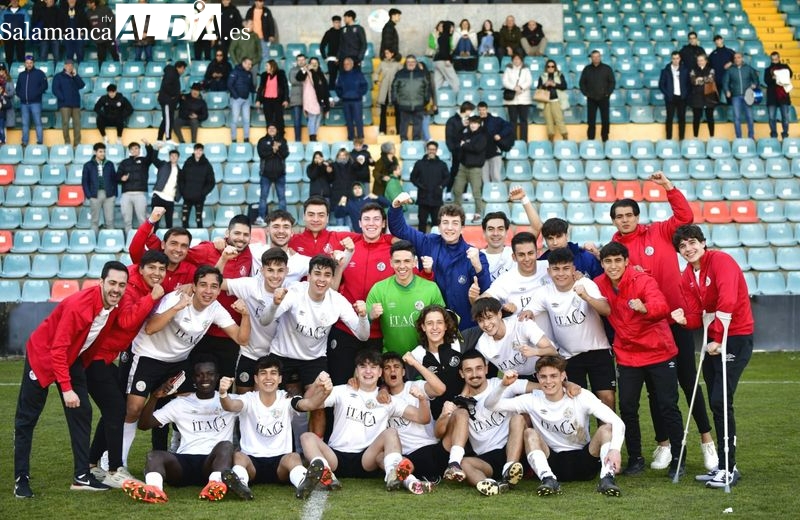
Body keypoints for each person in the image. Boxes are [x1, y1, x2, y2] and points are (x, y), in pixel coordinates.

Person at [606, 171, 716, 473]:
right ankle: (665, 444)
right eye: (619, 216)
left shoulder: (658, 232)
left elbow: (685, 215)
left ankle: (707, 441)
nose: (625, 220)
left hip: (676, 319)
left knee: (687, 381)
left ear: (637, 217)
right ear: (614, 221)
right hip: (645, 328)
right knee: (658, 392)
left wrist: (668, 187)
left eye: (629, 215)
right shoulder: (616, 251)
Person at [14, 261, 129, 498]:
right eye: (112, 283)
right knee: (27, 420)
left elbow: (88, 342)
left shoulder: (114, 306)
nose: (116, 289)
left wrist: (78, 371)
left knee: (83, 412)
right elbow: (57, 348)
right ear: (101, 282)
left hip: (71, 358)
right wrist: (66, 388)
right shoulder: (79, 306)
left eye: (122, 285)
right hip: (43, 357)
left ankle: (81, 476)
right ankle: (21, 478)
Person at [120, 266, 251, 467]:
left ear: (219, 291)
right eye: (203, 285)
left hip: (178, 361)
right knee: (133, 409)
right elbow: (150, 328)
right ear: (195, 286)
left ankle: (180, 446)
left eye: (214, 287)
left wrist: (246, 315)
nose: (208, 291)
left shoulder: (215, 308)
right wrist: (177, 307)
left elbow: (241, 339)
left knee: (190, 400)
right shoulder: (177, 298)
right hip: (149, 355)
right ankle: (118, 462)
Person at [671, 225, 754, 489]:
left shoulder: (721, 261)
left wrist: (718, 337)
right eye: (683, 246)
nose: (688, 249)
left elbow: (727, 300)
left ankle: (729, 468)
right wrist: (684, 320)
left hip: (735, 336)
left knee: (720, 400)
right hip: (713, 341)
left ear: (703, 242)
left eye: (692, 242)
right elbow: (697, 314)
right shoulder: (687, 275)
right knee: (715, 400)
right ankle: (725, 464)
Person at [594, 242, 686, 478]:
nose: (613, 266)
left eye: (617, 260)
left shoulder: (642, 279)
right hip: (627, 354)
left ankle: (678, 457)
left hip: (658, 351)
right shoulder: (599, 284)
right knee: (627, 407)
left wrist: (646, 307)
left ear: (626, 261)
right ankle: (635, 458)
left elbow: (661, 305)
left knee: (668, 405)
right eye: (608, 261)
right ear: (602, 264)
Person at [258, 254, 370, 435]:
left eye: (327, 275)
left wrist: (363, 316)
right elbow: (265, 320)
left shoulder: (337, 300)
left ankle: (315, 456)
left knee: (318, 404)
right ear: (309, 276)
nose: (321, 279)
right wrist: (274, 304)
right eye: (317, 274)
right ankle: (277, 450)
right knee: (273, 402)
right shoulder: (294, 292)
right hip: (281, 354)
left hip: (314, 358)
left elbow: (363, 335)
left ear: (332, 278)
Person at [83, 250, 168, 489]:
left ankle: (92, 464)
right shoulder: (131, 290)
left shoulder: (145, 288)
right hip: (95, 356)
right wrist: (151, 298)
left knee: (114, 409)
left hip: (107, 357)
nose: (157, 273)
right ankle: (113, 468)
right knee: (117, 409)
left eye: (162, 269)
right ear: (140, 270)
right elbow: (127, 321)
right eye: (152, 268)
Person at [485, 356, 624, 497]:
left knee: (606, 429)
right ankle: (548, 479)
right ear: (538, 378)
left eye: (553, 376)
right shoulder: (532, 399)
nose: (548, 381)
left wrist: (615, 450)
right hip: (552, 461)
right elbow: (490, 405)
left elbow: (617, 422)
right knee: (529, 433)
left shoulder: (581, 396)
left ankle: (607, 479)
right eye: (543, 377)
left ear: (563, 376)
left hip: (584, 461)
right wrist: (503, 385)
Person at [299, 350, 432, 494]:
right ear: (356, 371)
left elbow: (423, 418)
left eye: (373, 367)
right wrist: (316, 383)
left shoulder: (387, 399)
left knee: (391, 433)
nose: (368, 371)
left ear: (380, 372)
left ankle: (394, 475)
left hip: (367, 458)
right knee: (306, 437)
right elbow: (309, 402)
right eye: (363, 366)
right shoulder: (342, 391)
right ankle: (326, 474)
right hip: (335, 457)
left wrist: (422, 399)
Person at [122, 357, 251, 503]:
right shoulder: (180, 403)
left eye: (210, 374)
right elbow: (144, 425)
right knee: (154, 455)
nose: (205, 378)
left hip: (213, 462)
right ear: (193, 379)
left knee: (226, 446)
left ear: (217, 377)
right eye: (199, 375)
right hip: (185, 462)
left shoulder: (230, 401)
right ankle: (154, 490)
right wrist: (154, 397)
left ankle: (215, 484)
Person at [218, 358, 333, 498]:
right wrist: (223, 393)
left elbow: (309, 404)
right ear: (256, 378)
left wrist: (325, 392)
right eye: (263, 373)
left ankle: (304, 482)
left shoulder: (286, 399)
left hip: (281, 464)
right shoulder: (248, 399)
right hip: (252, 462)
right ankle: (241, 484)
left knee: (293, 457)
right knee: (238, 456)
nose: (268, 377)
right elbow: (230, 405)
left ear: (280, 379)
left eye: (273, 373)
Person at [389, 194, 491, 330]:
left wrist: (478, 266)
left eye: (455, 223)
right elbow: (400, 229)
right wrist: (396, 206)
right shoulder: (427, 243)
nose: (450, 228)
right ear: (439, 226)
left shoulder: (474, 255)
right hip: (434, 327)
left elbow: (486, 292)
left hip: (465, 326)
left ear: (462, 228)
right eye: (445, 222)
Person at [529, 248, 614, 409]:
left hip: (598, 350)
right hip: (569, 356)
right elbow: (529, 312)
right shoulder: (545, 292)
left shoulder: (585, 284)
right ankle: (583, 435)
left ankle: (610, 434)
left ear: (573, 269)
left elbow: (606, 309)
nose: (561, 273)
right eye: (556, 269)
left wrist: (586, 297)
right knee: (575, 402)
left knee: (607, 398)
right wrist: (527, 312)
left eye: (566, 268)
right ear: (549, 271)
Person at [435, 350, 526, 496]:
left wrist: (566, 384)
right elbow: (438, 433)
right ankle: (491, 485)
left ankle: (510, 470)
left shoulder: (503, 384)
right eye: (468, 370)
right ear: (461, 374)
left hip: (511, 448)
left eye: (479, 368)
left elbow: (539, 387)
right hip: (486, 459)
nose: (475, 374)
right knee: (464, 463)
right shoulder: (459, 401)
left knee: (519, 417)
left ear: (486, 369)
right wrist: (445, 415)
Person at [218, 247, 288, 392]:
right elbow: (216, 282)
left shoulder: (293, 292)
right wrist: (224, 259)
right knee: (244, 404)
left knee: (269, 405)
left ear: (287, 271)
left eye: (280, 270)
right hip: (249, 354)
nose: (275, 275)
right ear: (262, 270)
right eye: (270, 270)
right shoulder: (249, 286)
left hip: (276, 356)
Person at [367, 240, 445, 355]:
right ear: (391, 263)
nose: (402, 266)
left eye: (407, 261)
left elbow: (443, 322)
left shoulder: (431, 288)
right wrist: (370, 315)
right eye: (397, 261)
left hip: (424, 358)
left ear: (414, 262)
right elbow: (362, 326)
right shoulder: (379, 289)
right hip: (392, 359)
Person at [382, 351, 447, 483]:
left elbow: (440, 389)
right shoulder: (381, 397)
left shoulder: (414, 386)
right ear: (382, 375)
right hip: (402, 454)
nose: (392, 370)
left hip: (427, 448)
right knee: (384, 458)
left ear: (404, 372)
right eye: (387, 368)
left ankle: (409, 476)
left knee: (420, 458)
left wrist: (415, 363)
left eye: (397, 366)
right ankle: (410, 479)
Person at [472, 297, 557, 378]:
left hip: (544, 371)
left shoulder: (521, 323)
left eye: (489, 317)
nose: (486, 324)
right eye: (480, 320)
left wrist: (535, 351)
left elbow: (553, 351)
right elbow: (479, 373)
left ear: (499, 314)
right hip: (516, 379)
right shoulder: (482, 345)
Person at [480, 231, 551, 317]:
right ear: (514, 257)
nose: (527, 259)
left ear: (537, 253)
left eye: (530, 253)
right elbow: (482, 301)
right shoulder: (506, 279)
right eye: (521, 255)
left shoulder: (550, 268)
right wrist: (503, 309)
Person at [128, 208, 196, 292]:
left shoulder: (191, 271)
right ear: (163, 245)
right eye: (173, 243)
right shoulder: (150, 262)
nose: (178, 249)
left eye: (184, 246)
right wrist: (151, 221)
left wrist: (193, 286)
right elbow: (134, 250)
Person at [538, 218, 603, 279]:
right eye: (550, 238)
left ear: (566, 236)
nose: (555, 243)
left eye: (558, 237)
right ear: (545, 240)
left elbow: (600, 283)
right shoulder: (541, 263)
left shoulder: (587, 258)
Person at [117, 140, 157, 235]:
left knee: (142, 219)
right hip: (126, 194)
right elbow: (117, 176)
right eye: (132, 149)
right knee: (127, 220)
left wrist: (148, 145)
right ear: (129, 151)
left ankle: (144, 241)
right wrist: (121, 178)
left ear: (139, 150)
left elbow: (151, 156)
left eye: (136, 148)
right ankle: (129, 241)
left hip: (140, 193)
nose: (134, 150)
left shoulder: (144, 161)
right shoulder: (124, 162)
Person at [453, 115, 488, 223]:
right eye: (471, 123)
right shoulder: (465, 134)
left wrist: (465, 145)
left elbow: (477, 149)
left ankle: (478, 213)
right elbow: (457, 140)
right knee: (457, 190)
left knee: (476, 192)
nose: (473, 125)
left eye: (475, 123)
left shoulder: (482, 136)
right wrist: (466, 145)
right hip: (463, 167)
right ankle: (457, 213)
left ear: (479, 124)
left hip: (475, 169)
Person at [410, 141, 450, 232]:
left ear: (436, 150)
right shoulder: (419, 163)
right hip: (423, 198)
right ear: (426, 150)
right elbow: (413, 177)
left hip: (436, 198)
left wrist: (441, 187)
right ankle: (420, 243)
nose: (432, 151)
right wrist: (420, 185)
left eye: (434, 149)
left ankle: (434, 243)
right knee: (422, 222)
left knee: (436, 223)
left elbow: (447, 178)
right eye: (430, 149)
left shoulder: (442, 164)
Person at [392, 54, 431, 141]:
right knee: (403, 124)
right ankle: (403, 141)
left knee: (418, 124)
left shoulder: (422, 74)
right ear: (406, 63)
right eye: (408, 62)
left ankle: (416, 141)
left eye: (413, 62)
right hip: (403, 104)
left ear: (416, 63)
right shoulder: (399, 74)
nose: (411, 63)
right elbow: (394, 87)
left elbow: (428, 87)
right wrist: (395, 100)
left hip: (419, 104)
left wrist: (426, 99)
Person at [579, 50, 615, 142]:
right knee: (591, 121)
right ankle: (591, 139)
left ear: (600, 57)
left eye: (597, 56)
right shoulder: (587, 69)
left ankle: (605, 138)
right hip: (591, 99)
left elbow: (612, 82)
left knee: (605, 120)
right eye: (594, 56)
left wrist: (608, 93)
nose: (596, 58)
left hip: (604, 98)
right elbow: (582, 83)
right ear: (591, 58)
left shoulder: (607, 69)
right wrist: (586, 93)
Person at [82, 142, 117, 233]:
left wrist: (114, 194)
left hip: (109, 195)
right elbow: (85, 182)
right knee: (94, 221)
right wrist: (89, 195)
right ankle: (94, 241)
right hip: (95, 194)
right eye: (100, 151)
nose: (103, 154)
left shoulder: (109, 164)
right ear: (95, 152)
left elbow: (114, 179)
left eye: (104, 152)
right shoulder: (88, 165)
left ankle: (111, 241)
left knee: (110, 220)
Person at [178, 144, 216, 229]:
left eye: (200, 150)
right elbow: (181, 178)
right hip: (187, 197)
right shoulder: (188, 162)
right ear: (194, 151)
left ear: (202, 152)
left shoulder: (207, 164)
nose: (198, 152)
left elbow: (211, 182)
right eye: (196, 150)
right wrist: (183, 191)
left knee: (199, 220)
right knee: (184, 219)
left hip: (199, 198)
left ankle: (201, 239)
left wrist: (202, 193)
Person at [256, 123, 289, 220]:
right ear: (267, 129)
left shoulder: (282, 140)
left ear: (276, 129)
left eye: (273, 128)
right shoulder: (262, 141)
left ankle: (283, 218)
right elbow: (262, 154)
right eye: (270, 128)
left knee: (282, 198)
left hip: (280, 175)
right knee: (263, 197)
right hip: (265, 174)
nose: (271, 129)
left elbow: (285, 154)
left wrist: (277, 150)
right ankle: (261, 218)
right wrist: (272, 150)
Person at [723, 53, 759, 139]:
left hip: (748, 96)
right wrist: (727, 90)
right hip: (736, 96)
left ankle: (751, 136)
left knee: (750, 117)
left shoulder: (749, 68)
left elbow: (756, 80)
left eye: (738, 57)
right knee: (737, 118)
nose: (736, 59)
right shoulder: (730, 70)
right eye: (735, 58)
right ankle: (739, 137)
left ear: (742, 58)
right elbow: (725, 82)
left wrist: (754, 84)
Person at [477, 102, 513, 183]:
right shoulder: (475, 121)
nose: (482, 111)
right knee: (484, 178)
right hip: (482, 154)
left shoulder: (495, 120)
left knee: (496, 176)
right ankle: (487, 194)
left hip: (494, 152)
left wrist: (500, 135)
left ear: (487, 109)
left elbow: (509, 126)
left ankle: (498, 194)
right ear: (477, 110)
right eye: (480, 110)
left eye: (483, 110)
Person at [16, 54, 48, 146]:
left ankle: (40, 141)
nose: (29, 64)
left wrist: (36, 94)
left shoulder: (39, 73)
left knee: (38, 123)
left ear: (33, 63)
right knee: (25, 124)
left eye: (31, 63)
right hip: (24, 104)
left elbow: (45, 86)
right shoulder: (21, 75)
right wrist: (20, 95)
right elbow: (18, 88)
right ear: (24, 64)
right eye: (27, 63)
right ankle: (24, 142)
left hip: (36, 103)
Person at [296, 57, 330, 142]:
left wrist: (329, 98)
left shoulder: (321, 74)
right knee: (312, 118)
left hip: (320, 99)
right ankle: (312, 138)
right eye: (312, 63)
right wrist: (305, 68)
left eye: (316, 62)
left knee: (318, 118)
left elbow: (325, 88)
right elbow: (298, 77)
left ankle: (314, 136)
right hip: (311, 99)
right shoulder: (307, 72)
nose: (314, 64)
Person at [659, 52, 691, 141]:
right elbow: (661, 85)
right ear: (671, 59)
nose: (675, 60)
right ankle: (668, 138)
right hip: (670, 98)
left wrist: (685, 94)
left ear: (680, 59)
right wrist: (668, 94)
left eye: (677, 58)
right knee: (669, 118)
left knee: (682, 118)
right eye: (674, 58)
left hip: (682, 98)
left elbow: (689, 84)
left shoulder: (685, 70)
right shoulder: (666, 70)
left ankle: (681, 138)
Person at [53, 58, 85, 145]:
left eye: (71, 65)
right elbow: (55, 89)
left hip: (75, 104)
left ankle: (77, 143)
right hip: (64, 104)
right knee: (65, 124)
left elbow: (82, 85)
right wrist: (63, 98)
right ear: (64, 66)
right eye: (68, 65)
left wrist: (76, 76)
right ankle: (67, 142)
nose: (70, 67)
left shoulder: (74, 76)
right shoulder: (58, 76)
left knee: (77, 124)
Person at [335, 57, 368, 141]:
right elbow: (337, 88)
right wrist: (342, 95)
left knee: (358, 121)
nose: (346, 66)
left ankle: (360, 138)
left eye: (348, 64)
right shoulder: (341, 75)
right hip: (346, 101)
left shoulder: (358, 74)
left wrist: (359, 94)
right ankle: (351, 138)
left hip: (357, 101)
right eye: (344, 64)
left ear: (352, 65)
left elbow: (364, 85)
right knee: (349, 121)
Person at [536, 59, 568, 142]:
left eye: (552, 66)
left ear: (555, 67)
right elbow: (538, 88)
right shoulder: (542, 76)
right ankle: (550, 138)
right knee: (548, 120)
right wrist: (545, 85)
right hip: (546, 101)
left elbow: (564, 86)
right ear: (546, 67)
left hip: (556, 100)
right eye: (549, 66)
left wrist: (554, 84)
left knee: (559, 119)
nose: (550, 68)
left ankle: (565, 136)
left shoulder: (560, 75)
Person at [150, 148, 182, 229]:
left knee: (169, 224)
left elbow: (182, 185)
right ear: (169, 157)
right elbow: (153, 159)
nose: (173, 157)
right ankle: (152, 241)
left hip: (170, 199)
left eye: (175, 156)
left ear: (178, 157)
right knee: (155, 222)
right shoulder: (163, 164)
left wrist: (178, 196)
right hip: (158, 196)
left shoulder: (181, 171)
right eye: (172, 156)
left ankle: (168, 241)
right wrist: (157, 149)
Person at [502, 54, 532, 142]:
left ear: (521, 60)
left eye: (518, 59)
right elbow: (505, 81)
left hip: (524, 99)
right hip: (512, 100)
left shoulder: (526, 69)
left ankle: (523, 140)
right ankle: (513, 140)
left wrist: (521, 87)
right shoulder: (508, 69)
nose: (516, 60)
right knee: (512, 120)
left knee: (523, 120)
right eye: (514, 59)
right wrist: (514, 87)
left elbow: (529, 81)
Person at [445, 101, 474, 192]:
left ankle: (464, 192)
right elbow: (450, 136)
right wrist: (453, 149)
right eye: (470, 110)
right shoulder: (452, 120)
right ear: (466, 110)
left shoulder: (471, 120)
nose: (471, 112)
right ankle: (448, 191)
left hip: (467, 150)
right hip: (456, 150)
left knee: (466, 171)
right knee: (454, 170)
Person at [256, 60, 289, 139]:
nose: (265, 67)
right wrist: (258, 100)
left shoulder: (281, 74)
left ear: (272, 66)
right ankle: (269, 137)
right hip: (267, 101)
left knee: (279, 120)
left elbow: (285, 88)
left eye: (267, 66)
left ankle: (280, 136)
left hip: (278, 100)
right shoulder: (264, 75)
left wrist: (286, 99)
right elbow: (261, 88)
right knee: (269, 120)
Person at [765, 51, 793, 139]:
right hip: (772, 96)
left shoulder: (785, 67)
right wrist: (773, 78)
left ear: (779, 58)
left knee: (785, 117)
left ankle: (785, 134)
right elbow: (766, 81)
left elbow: (790, 75)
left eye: (776, 59)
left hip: (783, 96)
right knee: (771, 117)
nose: (775, 61)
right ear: (771, 59)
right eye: (773, 59)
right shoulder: (767, 70)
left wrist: (781, 75)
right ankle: (773, 134)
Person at [157, 60, 187, 143]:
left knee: (166, 120)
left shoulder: (173, 74)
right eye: (183, 69)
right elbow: (166, 86)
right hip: (167, 101)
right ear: (179, 68)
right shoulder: (172, 74)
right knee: (168, 120)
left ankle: (159, 139)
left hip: (170, 101)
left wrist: (178, 95)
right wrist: (174, 95)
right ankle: (168, 138)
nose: (183, 71)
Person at [689, 54, 717, 138]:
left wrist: (700, 79)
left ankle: (712, 137)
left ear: (706, 61)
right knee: (696, 119)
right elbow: (693, 81)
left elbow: (711, 79)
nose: (699, 62)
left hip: (709, 98)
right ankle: (695, 137)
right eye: (698, 60)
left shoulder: (711, 69)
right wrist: (705, 79)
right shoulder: (693, 70)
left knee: (710, 118)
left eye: (701, 60)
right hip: (697, 98)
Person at [375, 49, 403, 135]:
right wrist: (377, 81)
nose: (386, 54)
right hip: (384, 90)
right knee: (383, 111)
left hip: (395, 90)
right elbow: (376, 72)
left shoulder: (397, 64)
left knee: (398, 112)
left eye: (387, 53)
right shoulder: (382, 63)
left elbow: (403, 74)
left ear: (392, 53)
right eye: (385, 53)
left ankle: (399, 131)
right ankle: (382, 130)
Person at [228, 58, 255, 143]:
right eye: (248, 64)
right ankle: (233, 139)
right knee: (234, 120)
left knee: (246, 120)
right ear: (243, 63)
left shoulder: (249, 73)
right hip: (236, 99)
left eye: (251, 64)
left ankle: (246, 138)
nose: (250, 66)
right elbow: (229, 84)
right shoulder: (235, 71)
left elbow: (250, 86)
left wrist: (255, 91)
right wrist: (236, 96)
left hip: (246, 99)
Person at [229, 18, 261, 83]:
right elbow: (231, 49)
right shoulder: (238, 35)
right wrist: (236, 62)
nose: (252, 26)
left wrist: (254, 61)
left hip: (253, 64)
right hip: (241, 64)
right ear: (245, 25)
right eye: (251, 24)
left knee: (253, 82)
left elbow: (259, 51)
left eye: (253, 24)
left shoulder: (255, 36)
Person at [86, 0, 118, 67]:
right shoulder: (88, 13)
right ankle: (101, 72)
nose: (87, 5)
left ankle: (119, 69)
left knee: (114, 54)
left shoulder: (105, 9)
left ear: (93, 3)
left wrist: (108, 32)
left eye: (88, 3)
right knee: (101, 57)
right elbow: (88, 26)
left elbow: (113, 22)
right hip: (99, 40)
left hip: (109, 38)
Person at [433, 21, 459, 93]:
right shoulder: (445, 37)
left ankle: (434, 100)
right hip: (443, 61)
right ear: (447, 28)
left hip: (437, 62)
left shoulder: (441, 37)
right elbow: (444, 49)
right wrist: (447, 59)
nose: (452, 29)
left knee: (437, 82)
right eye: (451, 27)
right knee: (454, 80)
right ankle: (457, 98)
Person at [2, 0, 28, 65]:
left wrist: (24, 35)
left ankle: (21, 71)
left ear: (18, 2)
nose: (14, 2)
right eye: (13, 0)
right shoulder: (4, 12)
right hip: (8, 37)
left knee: (21, 56)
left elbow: (27, 23)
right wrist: (1, 35)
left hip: (20, 37)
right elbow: (0, 23)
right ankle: (9, 71)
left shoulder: (24, 11)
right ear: (10, 1)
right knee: (8, 56)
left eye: (16, 1)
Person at [320, 15, 342, 90]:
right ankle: (332, 97)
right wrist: (324, 57)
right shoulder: (329, 32)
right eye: (336, 22)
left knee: (343, 78)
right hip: (332, 59)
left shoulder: (343, 31)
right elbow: (322, 45)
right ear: (333, 23)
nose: (337, 24)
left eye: (339, 22)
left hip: (342, 58)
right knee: (332, 78)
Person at [288, 54, 307, 141]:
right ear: (296, 61)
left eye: (302, 60)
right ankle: (298, 140)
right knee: (297, 121)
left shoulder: (308, 70)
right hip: (296, 99)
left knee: (310, 121)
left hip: (308, 98)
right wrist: (305, 81)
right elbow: (293, 81)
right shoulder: (292, 70)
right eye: (299, 60)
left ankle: (311, 139)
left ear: (305, 60)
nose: (301, 61)